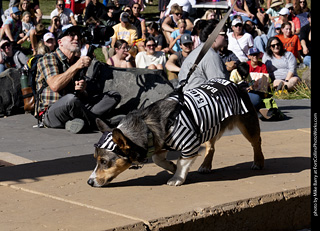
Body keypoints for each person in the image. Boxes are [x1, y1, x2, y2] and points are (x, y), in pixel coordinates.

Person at [35, 25, 121, 133]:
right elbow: (55, 85)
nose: (76, 38)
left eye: (78, 36)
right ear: (60, 42)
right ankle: (102, 123)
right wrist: (76, 66)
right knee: (70, 99)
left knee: (113, 96)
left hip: (75, 107)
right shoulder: (48, 58)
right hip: (51, 112)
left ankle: (77, 122)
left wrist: (82, 90)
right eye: (71, 35)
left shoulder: (76, 60)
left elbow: (80, 97)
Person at [178, 19, 228, 91]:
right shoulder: (211, 55)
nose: (226, 37)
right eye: (223, 34)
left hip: (188, 97)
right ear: (211, 36)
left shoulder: (197, 51)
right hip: (199, 99)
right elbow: (220, 87)